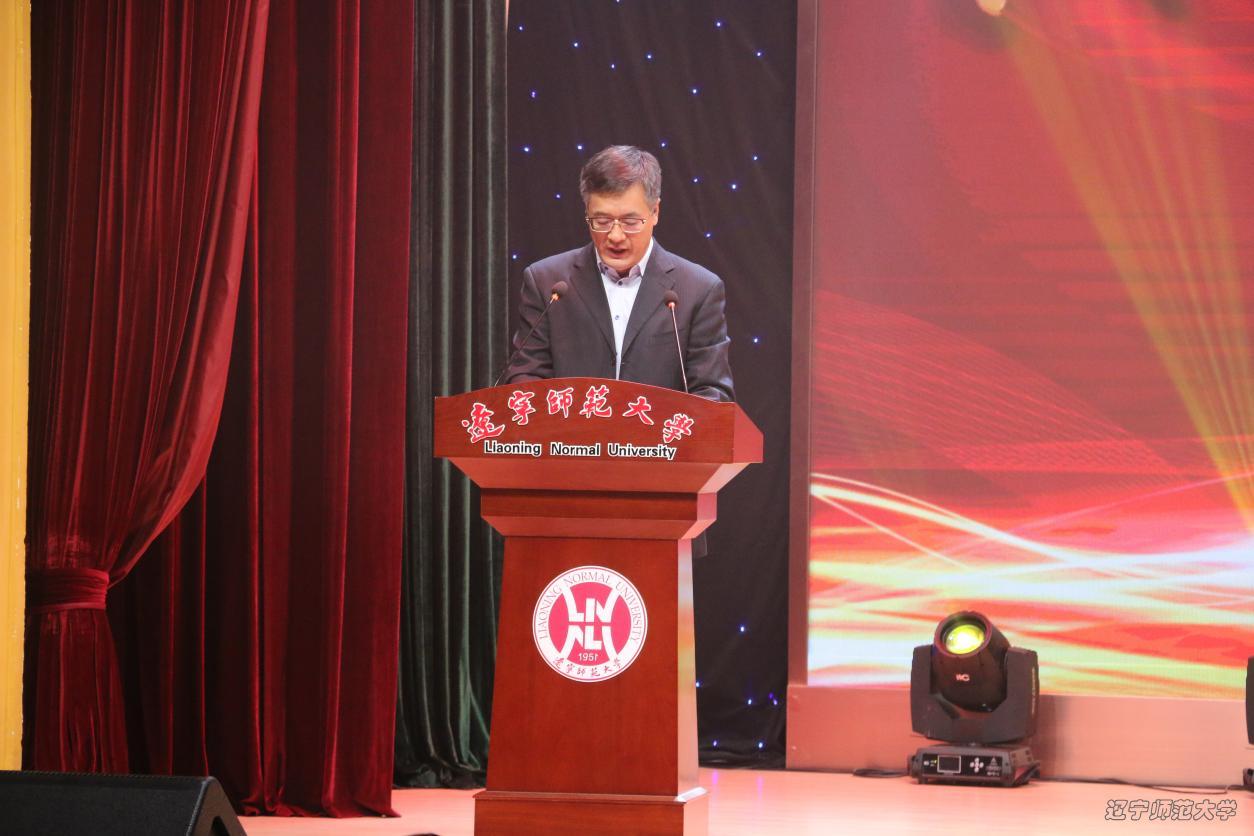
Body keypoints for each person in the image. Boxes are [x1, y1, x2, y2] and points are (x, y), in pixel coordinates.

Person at [504, 145, 735, 402]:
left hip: (654, 429)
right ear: (587, 213)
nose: (615, 236)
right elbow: (525, 379)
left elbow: (713, 394)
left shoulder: (699, 289)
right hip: (571, 429)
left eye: (630, 222)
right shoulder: (546, 282)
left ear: (655, 212)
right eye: (602, 221)